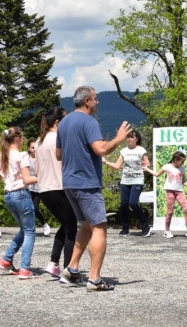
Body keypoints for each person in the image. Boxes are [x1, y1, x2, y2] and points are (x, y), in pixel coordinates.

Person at [56, 86, 130, 292]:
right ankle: (95, 279)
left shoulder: (64, 123)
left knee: (87, 225)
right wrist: (118, 138)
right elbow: (101, 149)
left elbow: (58, 155)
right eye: (96, 99)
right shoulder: (89, 122)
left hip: (69, 183)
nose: (98, 102)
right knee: (99, 227)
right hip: (87, 183)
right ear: (87, 101)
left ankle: (72, 268)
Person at [35, 106, 77, 280]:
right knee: (72, 228)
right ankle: (68, 271)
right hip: (60, 187)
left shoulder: (39, 141)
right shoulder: (60, 138)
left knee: (65, 225)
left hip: (44, 190)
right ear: (58, 122)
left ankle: (53, 263)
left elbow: (36, 169)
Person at [0, 128, 38, 279]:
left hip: (8, 196)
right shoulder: (21, 156)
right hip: (21, 194)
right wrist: (43, 176)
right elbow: (27, 180)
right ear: (17, 139)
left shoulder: (3, 156)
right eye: (23, 138)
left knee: (24, 230)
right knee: (30, 232)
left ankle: (6, 259)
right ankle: (25, 268)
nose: (24, 140)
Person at [104, 129, 153, 237]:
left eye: (132, 137)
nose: (129, 139)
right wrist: (106, 161)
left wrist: (146, 164)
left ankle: (146, 226)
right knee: (124, 205)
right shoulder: (124, 151)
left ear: (137, 138)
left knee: (133, 203)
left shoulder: (141, 150)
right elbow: (117, 166)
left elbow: (147, 163)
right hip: (125, 181)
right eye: (128, 137)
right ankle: (125, 229)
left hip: (137, 180)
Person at [144, 151, 187, 239]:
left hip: (179, 192)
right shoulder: (167, 167)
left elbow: (184, 182)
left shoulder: (182, 169)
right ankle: (167, 231)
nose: (182, 164)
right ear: (175, 159)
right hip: (170, 191)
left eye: (183, 162)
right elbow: (156, 174)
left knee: (186, 208)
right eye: (181, 162)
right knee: (170, 212)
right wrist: (146, 168)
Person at [25, 139, 51, 236]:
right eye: (32, 148)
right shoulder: (25, 158)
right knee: (27, 208)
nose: (34, 150)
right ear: (28, 149)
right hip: (27, 187)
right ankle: (28, 228)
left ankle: (44, 224)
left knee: (35, 208)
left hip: (37, 188)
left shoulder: (41, 158)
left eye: (35, 147)